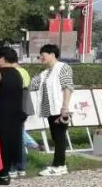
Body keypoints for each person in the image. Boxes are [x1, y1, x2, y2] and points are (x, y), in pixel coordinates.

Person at [29, 44, 74, 177]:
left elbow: (68, 86)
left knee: (59, 137)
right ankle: (59, 164)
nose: (41, 58)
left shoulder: (63, 67)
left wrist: (65, 107)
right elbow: (31, 84)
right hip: (50, 110)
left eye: (43, 55)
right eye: (40, 56)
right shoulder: (44, 73)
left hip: (60, 109)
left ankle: (59, 165)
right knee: (56, 137)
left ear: (52, 55)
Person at [0, 48, 25, 186]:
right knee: (12, 141)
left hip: (1, 112)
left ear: (2, 58)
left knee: (0, 143)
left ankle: (3, 173)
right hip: (16, 112)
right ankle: (7, 171)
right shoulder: (18, 73)